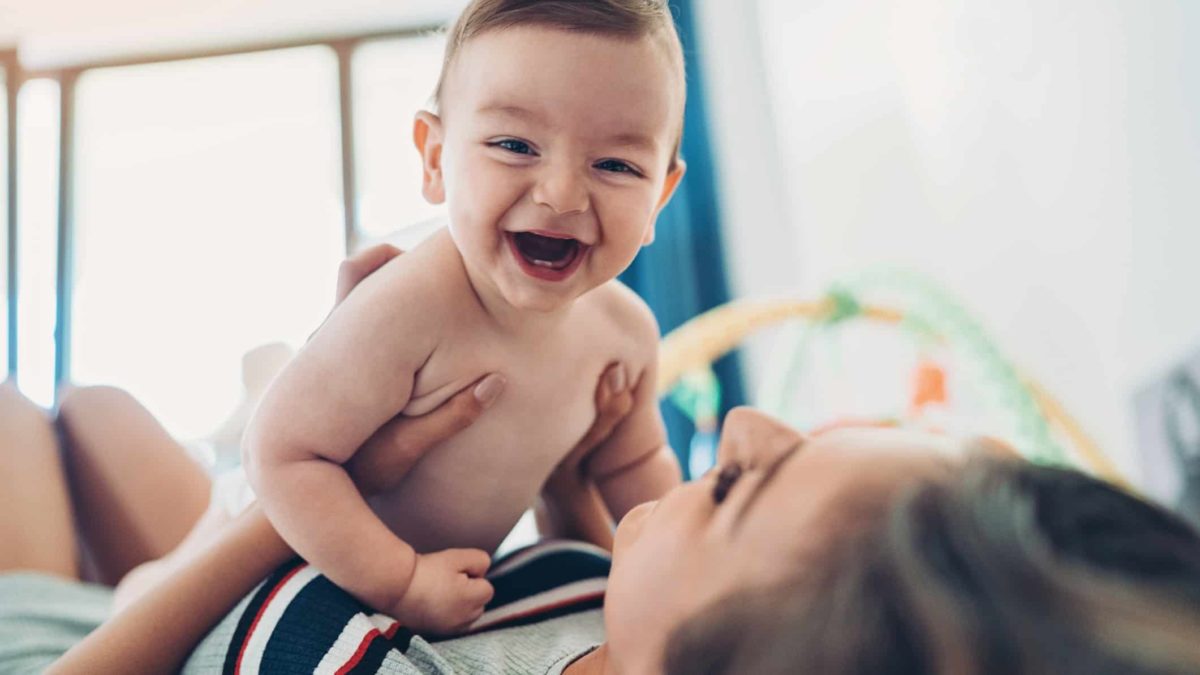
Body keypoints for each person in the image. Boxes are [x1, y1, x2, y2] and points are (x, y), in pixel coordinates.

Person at [244, 0, 691, 635]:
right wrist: (398, 577)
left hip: (432, 583)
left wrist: (687, 568)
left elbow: (632, 466)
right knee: (150, 580)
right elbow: (280, 454)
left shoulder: (625, 334)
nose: (561, 194)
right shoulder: (409, 306)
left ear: (660, 197)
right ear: (434, 159)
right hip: (291, 556)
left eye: (616, 164)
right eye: (514, 145)